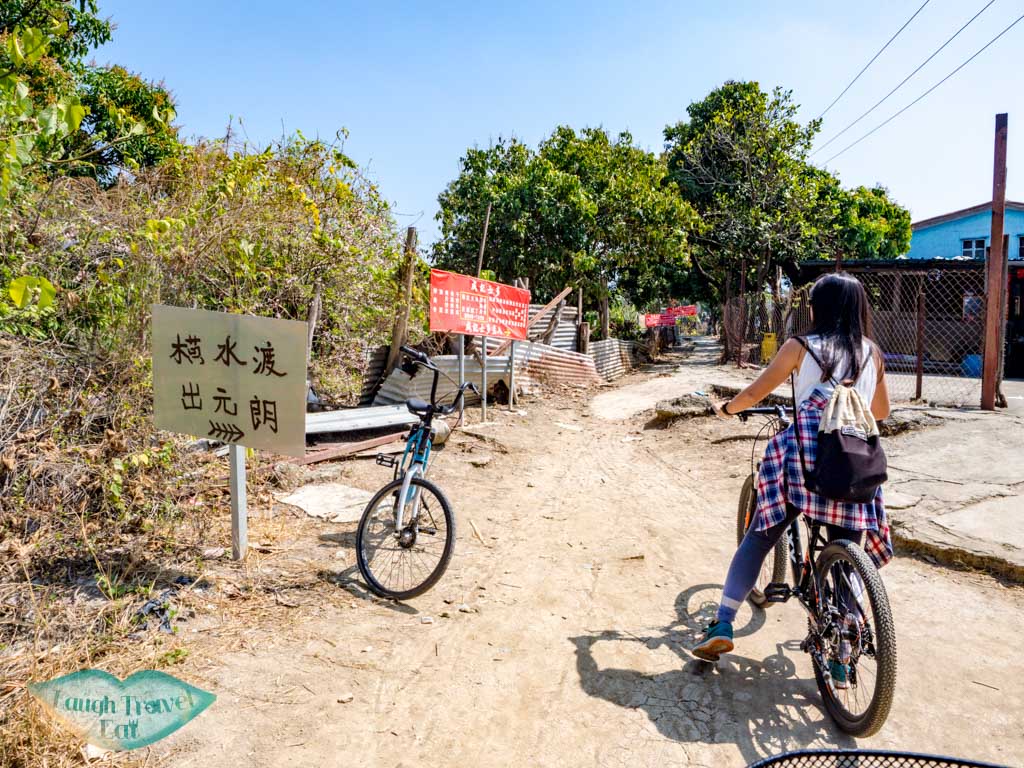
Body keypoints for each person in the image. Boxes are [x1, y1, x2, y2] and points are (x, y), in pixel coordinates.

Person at [693, 273, 893, 689]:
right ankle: (842, 657)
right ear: (859, 310)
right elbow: (881, 412)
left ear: (816, 309)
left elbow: (755, 393)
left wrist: (727, 410)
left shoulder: (801, 346)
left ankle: (723, 623)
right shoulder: (872, 353)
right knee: (849, 553)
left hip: (806, 465)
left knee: (760, 534)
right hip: (855, 469)